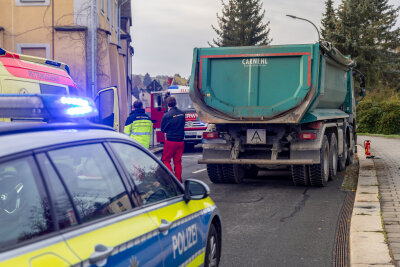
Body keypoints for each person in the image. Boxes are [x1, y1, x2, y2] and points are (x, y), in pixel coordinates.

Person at [161, 96, 185, 182]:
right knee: (177, 161)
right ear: (176, 103)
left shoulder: (167, 115)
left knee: (166, 160)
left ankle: (172, 179)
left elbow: (163, 129)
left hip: (171, 140)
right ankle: (178, 180)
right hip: (180, 140)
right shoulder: (182, 114)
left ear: (167, 104)